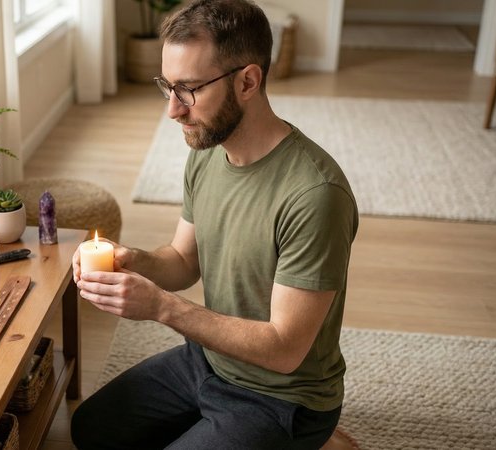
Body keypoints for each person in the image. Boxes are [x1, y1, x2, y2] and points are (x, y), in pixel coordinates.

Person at [70, 1, 358, 448]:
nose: (172, 110)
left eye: (188, 90)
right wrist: (134, 261)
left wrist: (162, 307)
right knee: (91, 429)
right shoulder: (207, 153)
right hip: (209, 360)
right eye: (167, 86)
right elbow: (184, 260)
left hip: (282, 398)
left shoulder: (315, 195)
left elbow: (285, 350)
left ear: (248, 81)